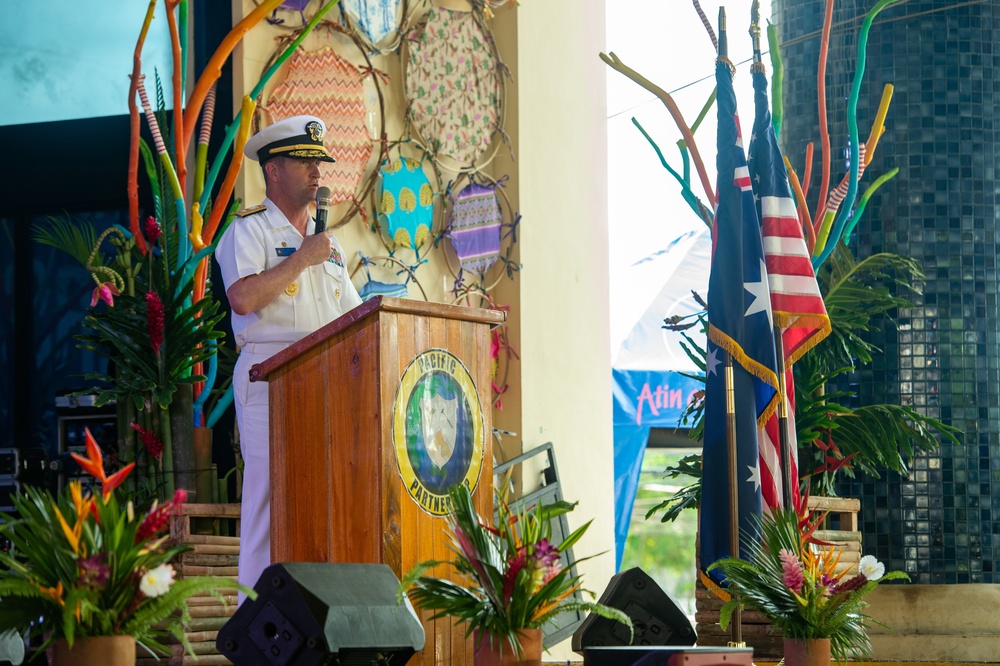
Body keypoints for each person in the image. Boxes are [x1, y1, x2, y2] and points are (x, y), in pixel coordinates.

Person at [214, 115, 363, 603]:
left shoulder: (331, 246)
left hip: (327, 381)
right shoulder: (249, 231)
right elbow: (242, 299)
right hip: (270, 379)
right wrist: (301, 258)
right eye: (305, 161)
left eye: (320, 162)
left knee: (323, 497)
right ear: (273, 169)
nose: (318, 171)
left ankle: (315, 616)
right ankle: (254, 625)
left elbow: (356, 316)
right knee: (267, 500)